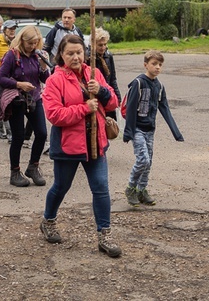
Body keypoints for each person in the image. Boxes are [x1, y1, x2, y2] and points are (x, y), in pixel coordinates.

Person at [40, 34, 121, 257]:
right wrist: (85, 108)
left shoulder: (93, 73)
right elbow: (54, 115)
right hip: (68, 145)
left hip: (96, 142)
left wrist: (102, 91)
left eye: (79, 52)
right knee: (61, 187)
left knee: (101, 187)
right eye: (70, 53)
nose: (76, 57)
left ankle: (104, 234)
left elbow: (113, 102)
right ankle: (48, 220)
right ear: (61, 55)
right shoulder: (54, 81)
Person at [122, 50, 184, 207]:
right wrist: (128, 132)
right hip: (137, 129)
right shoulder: (138, 83)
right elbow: (130, 108)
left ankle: (142, 190)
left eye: (160, 65)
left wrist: (176, 133)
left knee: (148, 163)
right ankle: (131, 188)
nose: (157, 67)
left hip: (150, 129)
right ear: (145, 65)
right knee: (143, 159)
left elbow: (165, 109)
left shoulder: (160, 86)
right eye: (154, 64)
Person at [0, 26, 50, 187]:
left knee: (41, 133)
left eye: (36, 43)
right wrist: (18, 84)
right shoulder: (12, 55)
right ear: (22, 41)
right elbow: (0, 78)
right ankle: (15, 172)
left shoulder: (37, 55)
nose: (33, 46)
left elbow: (46, 79)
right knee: (18, 137)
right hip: (17, 100)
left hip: (34, 98)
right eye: (30, 43)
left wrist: (43, 67)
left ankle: (33, 166)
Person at [87, 28, 121, 119]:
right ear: (93, 45)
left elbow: (112, 79)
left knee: (111, 125)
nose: (103, 48)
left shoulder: (108, 56)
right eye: (100, 45)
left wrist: (118, 97)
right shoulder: (88, 58)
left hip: (107, 93)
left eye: (105, 44)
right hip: (95, 95)